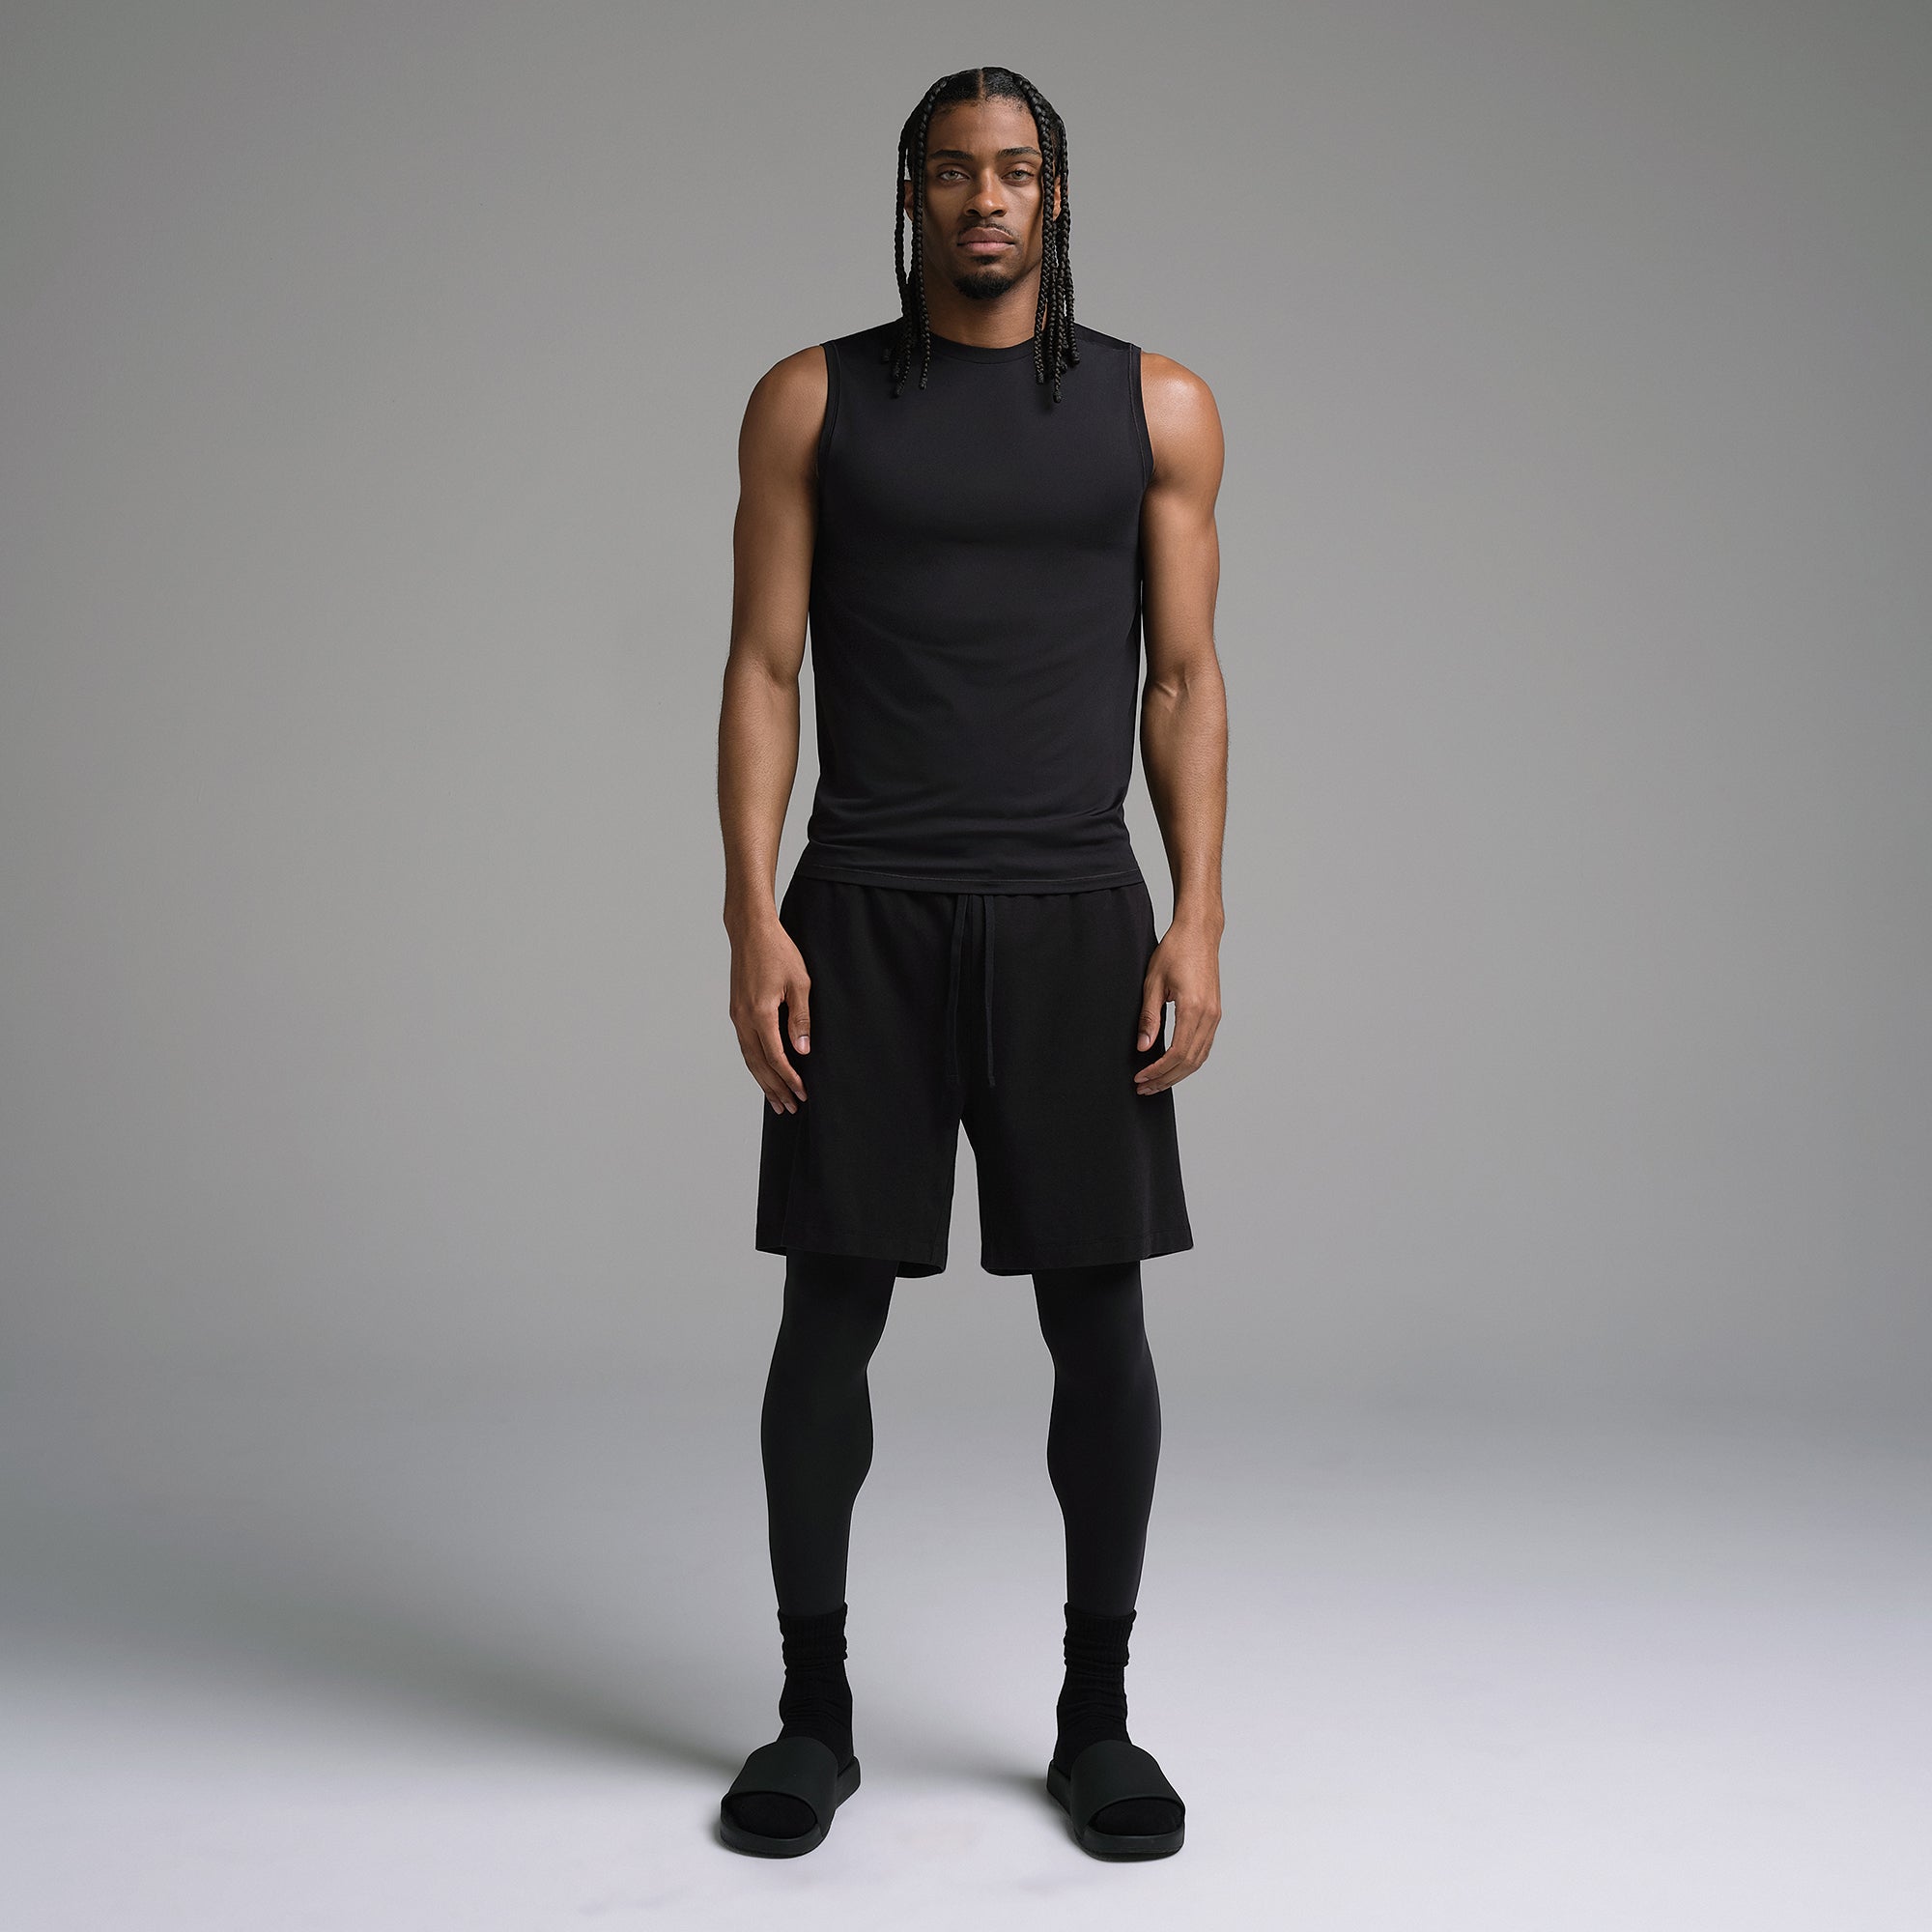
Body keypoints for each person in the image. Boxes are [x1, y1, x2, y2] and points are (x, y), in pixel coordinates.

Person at [714, 64, 1227, 1861]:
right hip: (865, 908)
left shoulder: (1158, 406)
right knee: (825, 1317)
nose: (986, 199)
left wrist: (1199, 912)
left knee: (1102, 1322)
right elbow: (762, 667)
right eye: (953, 171)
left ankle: (1098, 1721)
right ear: (914, 193)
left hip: (1077, 913)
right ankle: (812, 1715)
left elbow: (1184, 677)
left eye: (1015, 170)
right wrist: (751, 912)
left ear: (1056, 194)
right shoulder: (814, 398)